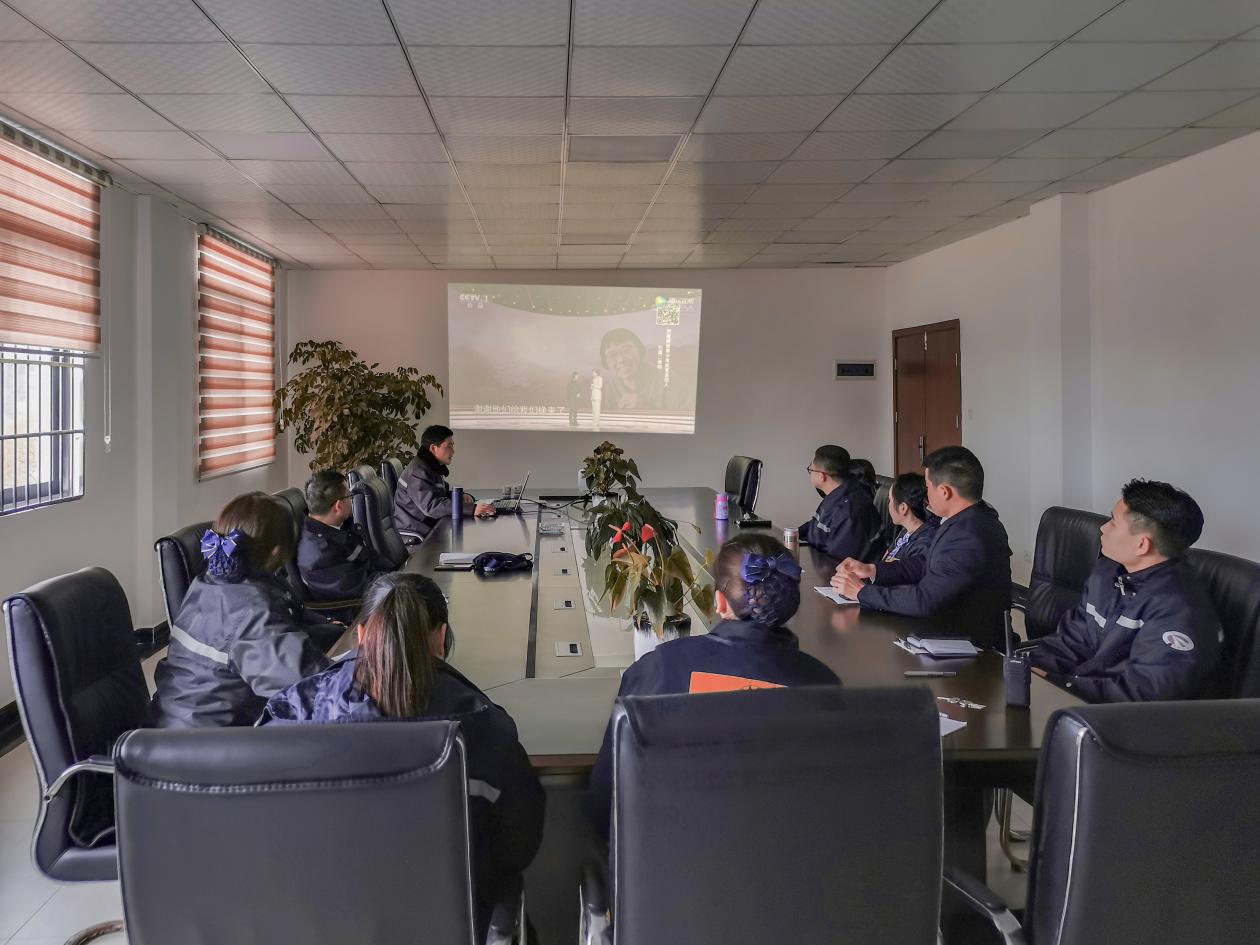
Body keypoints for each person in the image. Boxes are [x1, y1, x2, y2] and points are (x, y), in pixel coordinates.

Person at [262, 573, 544, 940]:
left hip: (312, 926)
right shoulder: (482, 727)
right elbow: (517, 846)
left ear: (360, 636)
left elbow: (263, 838)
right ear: (441, 639)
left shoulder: (292, 714)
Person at [589, 532, 840, 840]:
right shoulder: (824, 684)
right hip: (791, 874)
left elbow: (606, 800)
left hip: (667, 876)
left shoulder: (659, 667)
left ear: (720, 602)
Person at [150, 492, 338, 728]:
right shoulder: (251, 610)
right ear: (276, 551)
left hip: (175, 728)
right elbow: (313, 688)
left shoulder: (208, 582)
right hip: (205, 749)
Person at [1029, 480, 1222, 702]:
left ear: (1142, 545)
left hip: (1124, 722)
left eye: (1112, 522)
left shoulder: (1180, 608)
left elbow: (1144, 694)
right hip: (1079, 698)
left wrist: (1062, 685)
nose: (1102, 528)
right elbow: (1071, 640)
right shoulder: (1107, 573)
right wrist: (1032, 670)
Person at [832, 446, 1012, 649]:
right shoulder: (964, 520)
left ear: (944, 492)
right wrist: (872, 570)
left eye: (928, 487)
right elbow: (925, 564)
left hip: (972, 648)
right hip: (948, 631)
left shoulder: (969, 535)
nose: (925, 494)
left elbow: (925, 599)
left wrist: (862, 592)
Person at [296, 470, 390, 610]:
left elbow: (369, 557)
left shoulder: (340, 526)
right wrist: (397, 583)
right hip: (356, 612)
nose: (352, 501)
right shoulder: (319, 554)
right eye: (350, 497)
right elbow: (362, 587)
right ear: (338, 506)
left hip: (379, 586)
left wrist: (396, 574)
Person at [394, 424, 494, 540]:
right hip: (418, 539)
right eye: (449, 446)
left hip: (431, 529)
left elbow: (440, 495)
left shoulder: (429, 466)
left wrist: (461, 497)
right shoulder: (416, 472)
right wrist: (472, 509)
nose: (453, 451)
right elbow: (432, 507)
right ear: (433, 448)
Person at [799, 444, 880, 561]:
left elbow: (836, 561)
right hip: (822, 566)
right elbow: (818, 524)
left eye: (810, 469)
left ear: (822, 476)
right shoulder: (836, 494)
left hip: (840, 573)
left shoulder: (850, 511)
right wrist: (794, 533)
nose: (810, 473)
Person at [876, 472, 938, 565]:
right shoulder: (906, 531)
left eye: (890, 500)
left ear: (903, 508)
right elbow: (884, 561)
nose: (888, 505)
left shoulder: (923, 545)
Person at [599, 327, 665, 410]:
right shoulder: (611, 387)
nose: (621, 360)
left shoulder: (665, 380)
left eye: (626, 350)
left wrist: (644, 408)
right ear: (606, 362)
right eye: (612, 355)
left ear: (639, 351)